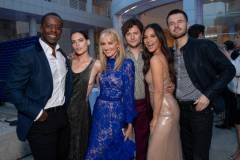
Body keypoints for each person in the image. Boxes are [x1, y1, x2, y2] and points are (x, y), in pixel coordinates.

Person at [166, 9, 236, 160]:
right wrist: (174, 87)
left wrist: (208, 95)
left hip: (200, 110)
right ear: (168, 28)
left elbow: (229, 69)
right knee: (187, 154)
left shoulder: (202, 46)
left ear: (187, 24)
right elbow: (182, 76)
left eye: (180, 22)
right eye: (171, 23)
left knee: (200, 156)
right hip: (180, 110)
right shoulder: (171, 53)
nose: (176, 26)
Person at [5, 12, 72, 160]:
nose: (54, 30)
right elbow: (12, 90)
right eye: (49, 26)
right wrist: (36, 112)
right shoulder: (27, 54)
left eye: (58, 27)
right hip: (40, 120)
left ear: (61, 30)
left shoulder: (62, 55)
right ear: (41, 28)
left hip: (62, 118)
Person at [85, 28, 136, 160]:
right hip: (100, 112)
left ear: (118, 44)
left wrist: (129, 123)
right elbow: (89, 85)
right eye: (103, 44)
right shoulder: (100, 64)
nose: (106, 47)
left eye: (110, 43)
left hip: (116, 114)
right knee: (95, 150)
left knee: (114, 150)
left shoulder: (127, 64)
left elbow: (129, 96)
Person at [142, 23, 182, 160]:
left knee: (155, 154)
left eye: (152, 36)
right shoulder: (162, 55)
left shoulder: (155, 59)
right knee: (167, 153)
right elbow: (167, 81)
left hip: (164, 111)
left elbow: (158, 91)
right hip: (167, 107)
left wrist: (154, 119)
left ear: (160, 37)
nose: (148, 40)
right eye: (145, 37)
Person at [121, 18, 150, 160]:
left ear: (141, 34)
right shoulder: (120, 56)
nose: (132, 37)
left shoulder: (149, 54)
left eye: (135, 33)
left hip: (145, 103)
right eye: (128, 34)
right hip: (125, 104)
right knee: (124, 140)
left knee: (143, 141)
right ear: (124, 37)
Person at [67, 31, 99, 160]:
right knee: (65, 150)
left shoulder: (96, 64)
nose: (77, 45)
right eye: (74, 42)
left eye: (80, 40)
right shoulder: (68, 61)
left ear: (88, 41)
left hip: (82, 115)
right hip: (64, 113)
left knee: (81, 151)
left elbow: (109, 86)